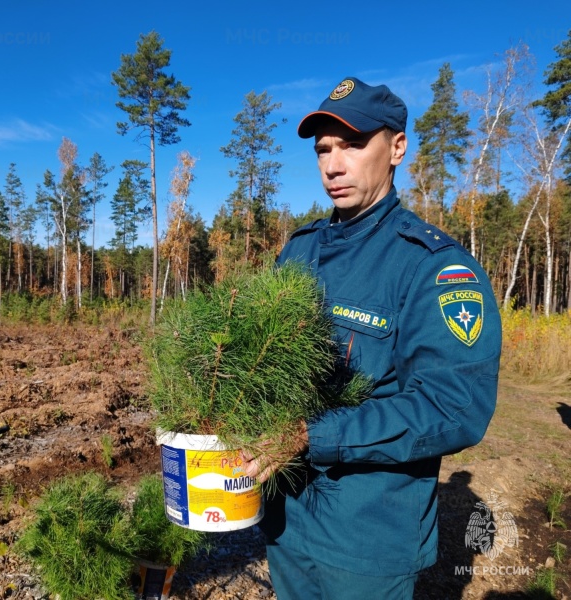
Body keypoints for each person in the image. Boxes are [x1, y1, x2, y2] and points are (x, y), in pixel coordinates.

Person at [242, 77, 502, 599]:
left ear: (397, 148)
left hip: (367, 540)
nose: (333, 165)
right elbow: (256, 358)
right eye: (323, 149)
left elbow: (453, 406)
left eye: (354, 144)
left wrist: (313, 436)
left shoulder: (433, 267)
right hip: (286, 523)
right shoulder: (298, 252)